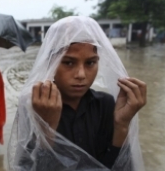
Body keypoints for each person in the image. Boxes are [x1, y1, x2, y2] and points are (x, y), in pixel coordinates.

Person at [8, 16, 146, 171]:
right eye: (68, 63)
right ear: (51, 64)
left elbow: (123, 167)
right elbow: (25, 167)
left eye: (90, 63)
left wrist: (122, 126)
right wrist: (47, 129)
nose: (81, 74)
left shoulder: (106, 105)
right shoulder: (36, 107)